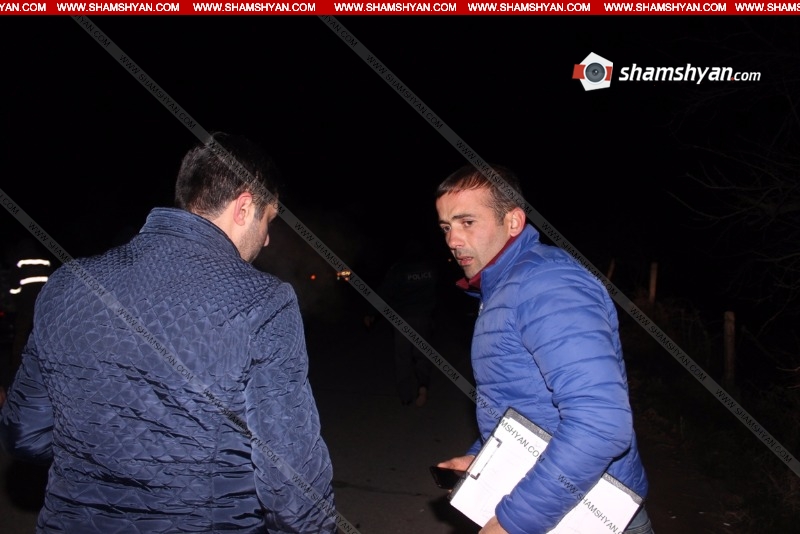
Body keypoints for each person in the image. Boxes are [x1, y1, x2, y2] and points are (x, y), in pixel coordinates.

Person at [0, 132, 337, 533]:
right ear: (244, 207)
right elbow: (293, 491)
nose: (266, 239)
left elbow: (23, 433)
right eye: (269, 219)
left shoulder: (66, 284)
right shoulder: (265, 301)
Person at [434, 164, 652, 534]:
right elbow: (528, 402)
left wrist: (514, 521)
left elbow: (601, 424)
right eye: (445, 227)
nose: (453, 240)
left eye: (467, 222)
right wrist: (481, 457)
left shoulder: (548, 283)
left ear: (513, 221)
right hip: (558, 504)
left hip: (591, 512)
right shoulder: (504, 288)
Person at [371, 239, 440, 407]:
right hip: (423, 317)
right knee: (422, 356)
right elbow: (438, 291)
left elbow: (385, 292)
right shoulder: (429, 268)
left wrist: (371, 313)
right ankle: (423, 387)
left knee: (403, 357)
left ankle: (405, 396)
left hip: (402, 319)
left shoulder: (398, 270)